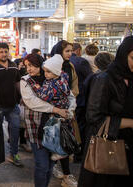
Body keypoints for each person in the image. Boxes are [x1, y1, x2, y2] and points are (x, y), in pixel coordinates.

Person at [78, 36, 133, 187]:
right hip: (107, 151)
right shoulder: (104, 79)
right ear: (123, 55)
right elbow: (93, 118)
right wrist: (129, 123)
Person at [21, 53, 75, 187]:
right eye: (27, 66)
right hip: (36, 127)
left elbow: (70, 95)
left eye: (32, 65)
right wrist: (56, 110)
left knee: (51, 164)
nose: (29, 69)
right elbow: (32, 102)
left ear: (41, 65)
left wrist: (70, 110)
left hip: (54, 128)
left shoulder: (54, 76)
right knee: (42, 165)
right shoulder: (26, 81)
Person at [0, 42, 23, 167]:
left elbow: (17, 82)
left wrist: (22, 97)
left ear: (9, 52)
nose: (4, 54)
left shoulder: (13, 65)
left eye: (5, 51)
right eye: (1, 52)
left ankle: (14, 154)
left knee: (15, 129)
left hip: (13, 105)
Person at [50, 40, 79, 187]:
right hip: (54, 110)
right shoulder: (51, 65)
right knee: (60, 141)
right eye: (67, 51)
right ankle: (65, 173)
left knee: (64, 141)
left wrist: (70, 101)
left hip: (68, 108)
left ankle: (63, 171)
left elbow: (74, 86)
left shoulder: (70, 66)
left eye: (71, 51)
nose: (70, 53)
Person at [70, 43, 93, 162]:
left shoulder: (65, 62)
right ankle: (79, 154)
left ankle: (71, 151)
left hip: (69, 100)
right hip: (80, 99)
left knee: (72, 126)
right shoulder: (81, 61)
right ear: (78, 50)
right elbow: (90, 78)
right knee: (81, 127)